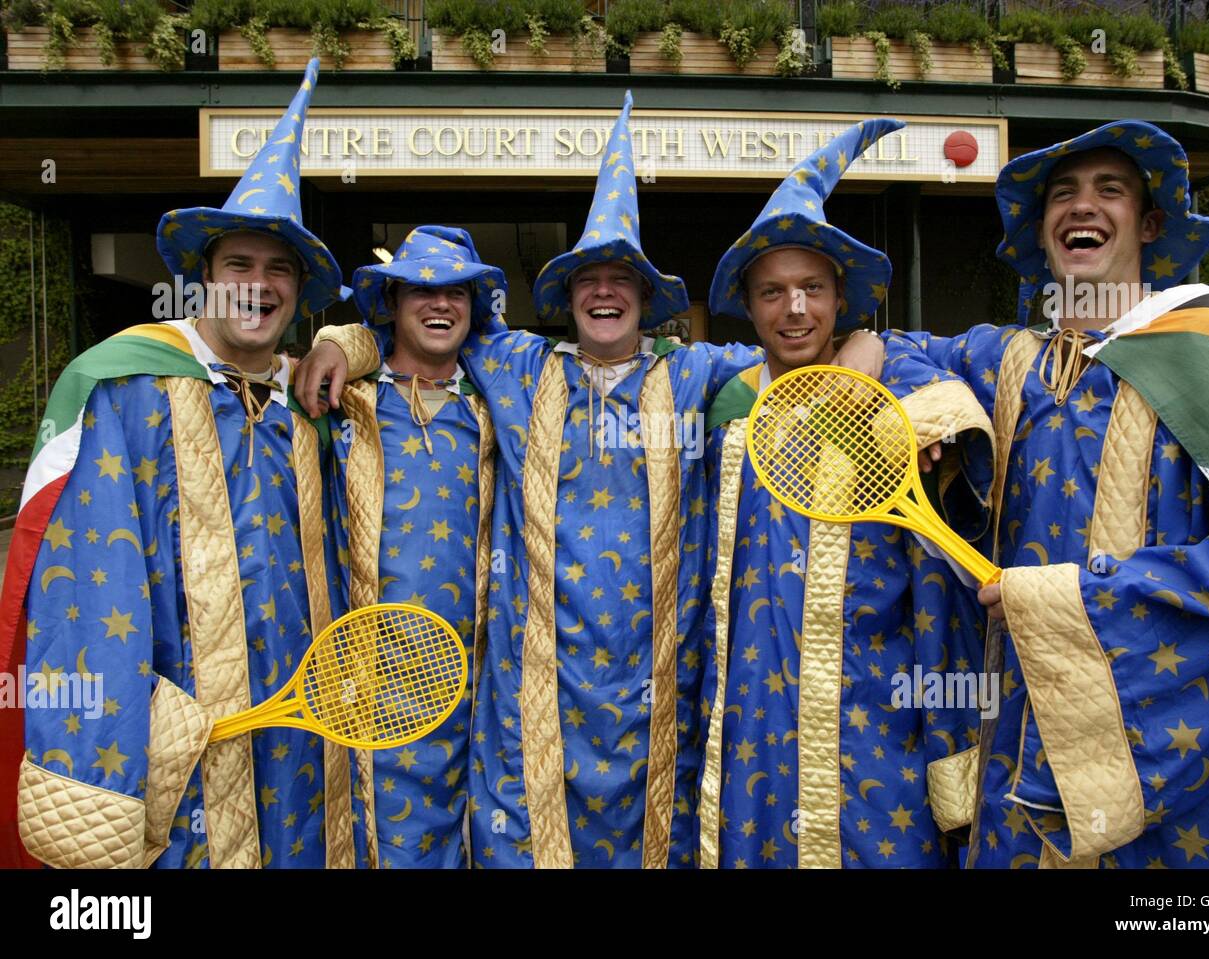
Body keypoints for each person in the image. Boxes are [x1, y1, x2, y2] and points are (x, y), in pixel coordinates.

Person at [295, 91, 884, 868]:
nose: (604, 291)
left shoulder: (703, 373)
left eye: (622, 279)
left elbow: (800, 350)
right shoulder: (515, 366)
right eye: (588, 279)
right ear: (567, 298)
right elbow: (417, 329)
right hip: (531, 701)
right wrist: (341, 339)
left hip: (652, 697)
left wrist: (867, 351)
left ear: (646, 299)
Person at [881, 120, 1209, 868]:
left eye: (1111, 189)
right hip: (1022, 749)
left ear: (1152, 222)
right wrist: (934, 417)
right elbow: (892, 350)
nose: (1084, 206)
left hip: (1188, 764)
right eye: (1062, 195)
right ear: (1041, 233)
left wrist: (1071, 598)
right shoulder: (1002, 360)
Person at [0, 60, 356, 868]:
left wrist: (348, 343)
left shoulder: (306, 402)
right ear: (202, 277)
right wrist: (101, 767)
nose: (257, 287)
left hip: (298, 752)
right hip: (174, 752)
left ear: (299, 295)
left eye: (279, 272)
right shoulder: (124, 387)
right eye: (239, 266)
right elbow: (88, 590)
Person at [697, 118, 991, 868]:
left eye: (811, 289)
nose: (794, 309)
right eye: (773, 292)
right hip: (757, 721)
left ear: (839, 299)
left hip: (873, 712)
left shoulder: (898, 375)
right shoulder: (730, 403)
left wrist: (881, 367)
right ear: (750, 306)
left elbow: (952, 415)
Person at [327, 226, 502, 867]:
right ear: (392, 306)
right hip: (364, 675)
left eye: (456, 291)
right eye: (422, 291)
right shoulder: (340, 400)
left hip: (475, 674)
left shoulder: (500, 402)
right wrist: (341, 342)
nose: (440, 304)